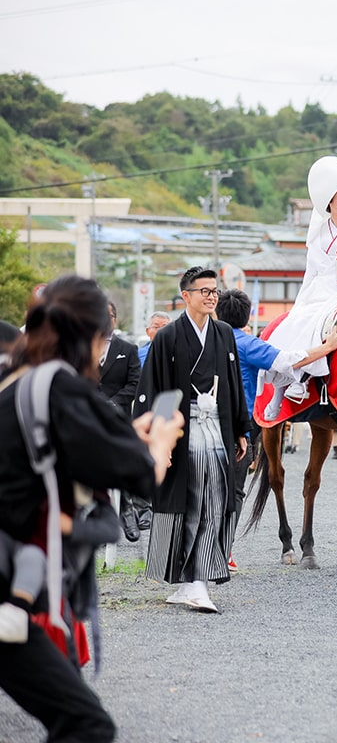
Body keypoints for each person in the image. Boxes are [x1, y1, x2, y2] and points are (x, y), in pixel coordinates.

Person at [0, 274, 183, 743]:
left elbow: (73, 454)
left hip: (18, 579)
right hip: (11, 586)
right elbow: (140, 475)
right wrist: (161, 442)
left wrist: (129, 440)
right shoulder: (61, 386)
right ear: (94, 337)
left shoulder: (14, 381)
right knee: (86, 724)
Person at [134, 267, 251, 613]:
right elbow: (159, 389)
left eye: (214, 291)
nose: (212, 296)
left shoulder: (224, 333)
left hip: (216, 425)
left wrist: (241, 429)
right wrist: (160, 440)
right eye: (204, 291)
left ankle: (195, 580)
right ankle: (193, 581)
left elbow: (232, 384)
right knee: (190, 502)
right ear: (186, 296)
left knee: (213, 500)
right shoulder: (168, 336)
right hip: (183, 429)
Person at [214, 288, 337, 567]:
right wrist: (326, 347)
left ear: (217, 314)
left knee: (204, 487)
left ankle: (195, 551)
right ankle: (222, 553)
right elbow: (288, 360)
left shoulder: (202, 342)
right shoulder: (249, 344)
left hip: (202, 421)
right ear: (247, 317)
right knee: (234, 490)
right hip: (238, 425)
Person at [263, 155, 337, 421]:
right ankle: (280, 389)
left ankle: (303, 378)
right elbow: (312, 272)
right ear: (329, 198)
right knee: (294, 321)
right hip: (318, 289)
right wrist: (300, 301)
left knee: (323, 318)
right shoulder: (318, 232)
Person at [97, 302, 148, 542]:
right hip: (88, 419)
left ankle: (128, 511)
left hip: (119, 418)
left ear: (115, 320)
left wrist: (114, 403)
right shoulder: (79, 348)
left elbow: (135, 384)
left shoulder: (127, 349)